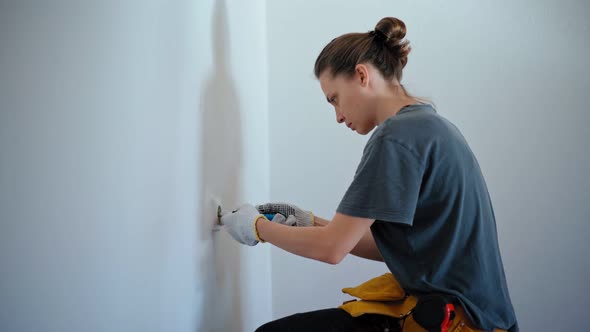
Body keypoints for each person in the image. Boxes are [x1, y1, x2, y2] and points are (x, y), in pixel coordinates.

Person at [219, 17, 518, 332]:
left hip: (457, 322)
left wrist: (255, 228)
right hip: (488, 322)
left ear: (361, 75)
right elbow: (399, 247)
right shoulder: (431, 126)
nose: (337, 116)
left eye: (334, 99)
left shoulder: (397, 136)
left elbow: (332, 249)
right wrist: (309, 221)